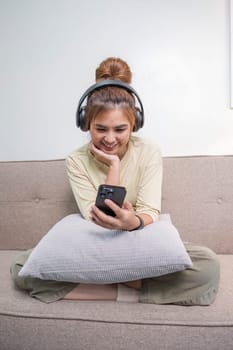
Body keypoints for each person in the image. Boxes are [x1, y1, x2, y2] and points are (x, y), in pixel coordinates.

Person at [11, 57, 220, 304]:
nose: (110, 139)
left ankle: (108, 283)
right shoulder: (76, 160)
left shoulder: (149, 150)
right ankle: (127, 291)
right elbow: (98, 218)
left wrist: (132, 222)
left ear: (135, 124)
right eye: (100, 129)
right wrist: (114, 164)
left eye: (120, 130)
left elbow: (150, 210)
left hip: (139, 237)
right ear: (85, 124)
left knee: (208, 266)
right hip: (97, 241)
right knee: (21, 267)